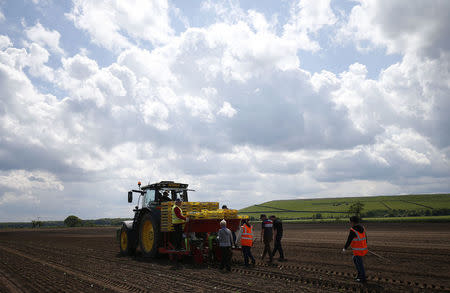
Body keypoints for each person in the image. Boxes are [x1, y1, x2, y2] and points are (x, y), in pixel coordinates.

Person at [342, 216, 368, 283]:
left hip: (358, 250)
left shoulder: (353, 230)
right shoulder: (362, 228)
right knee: (354, 258)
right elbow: (365, 238)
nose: (350, 222)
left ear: (353, 222)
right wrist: (365, 245)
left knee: (359, 263)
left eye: (350, 221)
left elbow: (349, 240)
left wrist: (345, 248)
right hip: (363, 248)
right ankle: (360, 275)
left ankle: (363, 278)